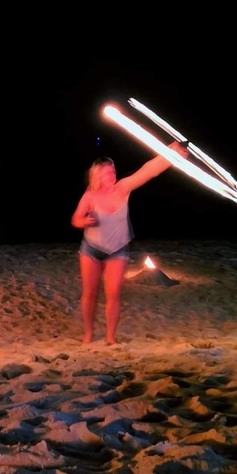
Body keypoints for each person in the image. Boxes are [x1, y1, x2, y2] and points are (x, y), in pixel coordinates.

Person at [70, 141, 188, 345]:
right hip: (91, 249)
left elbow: (149, 171)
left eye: (113, 170)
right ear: (97, 175)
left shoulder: (122, 188)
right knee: (89, 292)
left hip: (118, 249)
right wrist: (84, 221)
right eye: (107, 172)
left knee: (113, 293)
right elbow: (75, 219)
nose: (112, 175)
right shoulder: (90, 195)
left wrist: (173, 152)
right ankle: (88, 333)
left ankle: (110, 337)